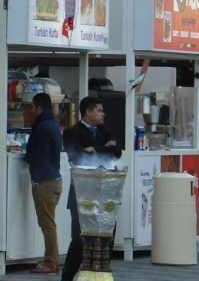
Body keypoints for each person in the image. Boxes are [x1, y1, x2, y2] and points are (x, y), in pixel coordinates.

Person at [61, 97, 121, 281]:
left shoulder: (106, 130)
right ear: (88, 111)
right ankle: (68, 277)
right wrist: (103, 149)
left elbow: (116, 152)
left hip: (105, 195)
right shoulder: (72, 132)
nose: (103, 114)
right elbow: (76, 154)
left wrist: (94, 150)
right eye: (99, 110)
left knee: (105, 239)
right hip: (82, 194)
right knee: (80, 240)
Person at [23, 93, 63, 274]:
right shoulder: (53, 124)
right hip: (53, 179)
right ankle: (52, 258)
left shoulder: (42, 127)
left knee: (47, 224)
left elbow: (33, 154)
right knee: (49, 223)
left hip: (45, 182)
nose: (31, 111)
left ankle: (50, 261)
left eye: (32, 107)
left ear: (38, 107)